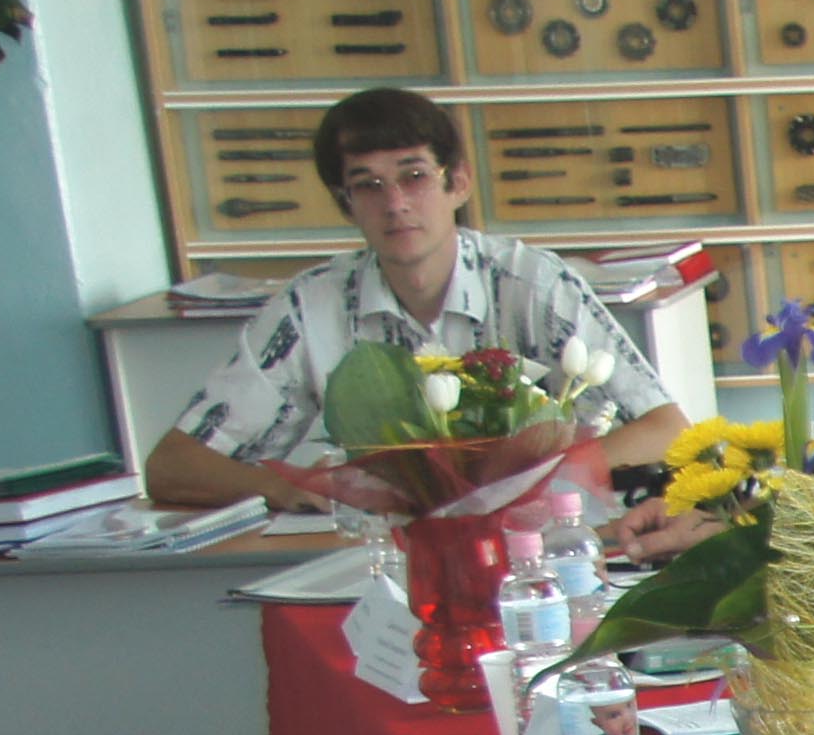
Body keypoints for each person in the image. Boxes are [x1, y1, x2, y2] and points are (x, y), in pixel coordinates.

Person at [146, 85, 687, 512]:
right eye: (369, 185)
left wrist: (525, 485)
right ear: (345, 203)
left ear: (459, 184)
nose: (396, 203)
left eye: (414, 176)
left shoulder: (531, 284)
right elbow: (172, 466)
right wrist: (283, 488)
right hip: (379, 552)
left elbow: (665, 429)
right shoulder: (311, 307)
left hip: (537, 536)